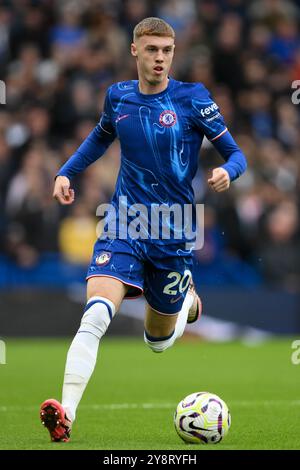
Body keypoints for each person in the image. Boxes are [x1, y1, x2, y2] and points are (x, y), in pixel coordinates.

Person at [40, 17, 247, 442]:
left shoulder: (193, 99)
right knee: (97, 312)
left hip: (173, 233)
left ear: (174, 52)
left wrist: (228, 170)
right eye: (152, 50)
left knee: (157, 341)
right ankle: (66, 414)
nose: (160, 59)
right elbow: (100, 138)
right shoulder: (118, 96)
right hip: (124, 222)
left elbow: (236, 153)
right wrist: (66, 172)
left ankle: (186, 300)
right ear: (135, 50)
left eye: (167, 51)